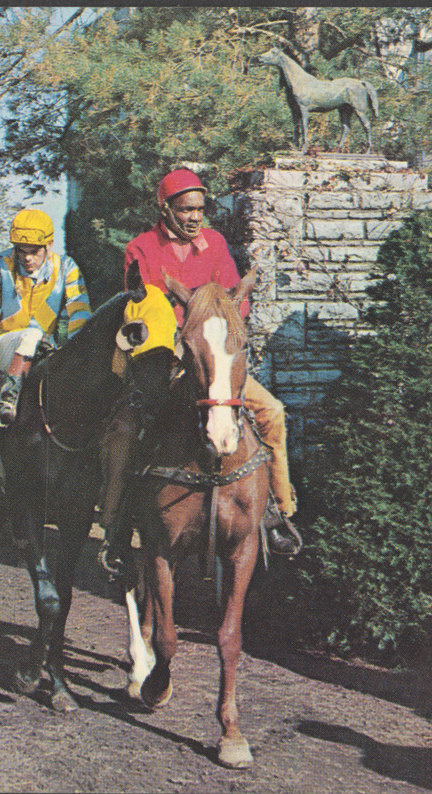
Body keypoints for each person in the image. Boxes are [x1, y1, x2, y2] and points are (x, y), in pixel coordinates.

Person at [121, 168, 301, 555]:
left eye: (200, 209)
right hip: (164, 359)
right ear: (165, 208)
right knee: (127, 427)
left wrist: (221, 325)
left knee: (272, 411)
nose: (195, 217)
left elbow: (240, 301)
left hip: (213, 358)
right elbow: (142, 305)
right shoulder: (140, 248)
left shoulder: (216, 244)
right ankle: (120, 518)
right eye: (186, 209)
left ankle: (276, 511)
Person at [0, 208, 90, 426]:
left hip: (43, 347)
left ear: (49, 245)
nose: (26, 257)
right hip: (2, 346)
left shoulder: (67, 267)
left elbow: (79, 315)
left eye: (34, 251)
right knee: (33, 333)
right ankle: (8, 398)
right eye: (20, 250)